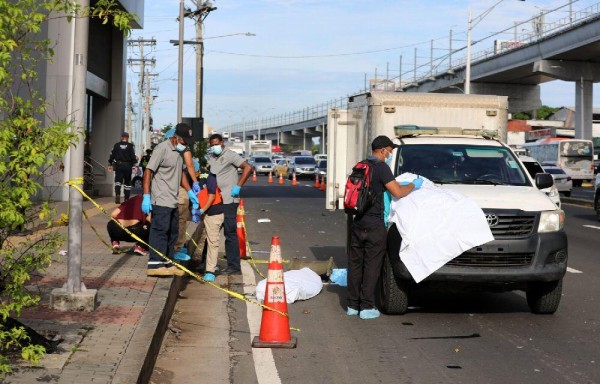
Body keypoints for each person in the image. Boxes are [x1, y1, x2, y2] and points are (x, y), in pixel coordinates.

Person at [347, 135, 422, 320]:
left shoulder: (360, 166)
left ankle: (352, 306)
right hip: (374, 225)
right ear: (382, 150)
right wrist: (413, 185)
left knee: (356, 265)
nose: (390, 154)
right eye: (390, 151)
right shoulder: (381, 167)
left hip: (358, 223)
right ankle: (366, 307)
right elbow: (397, 192)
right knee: (372, 265)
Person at [141, 123, 200, 277]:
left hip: (173, 198)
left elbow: (180, 174)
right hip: (161, 198)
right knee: (160, 231)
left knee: (173, 232)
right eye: (184, 141)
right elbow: (148, 171)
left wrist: (190, 191)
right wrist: (146, 196)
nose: (185, 145)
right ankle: (155, 264)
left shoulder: (180, 153)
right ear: (175, 138)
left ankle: (168, 262)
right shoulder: (162, 149)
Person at [207, 133, 252, 275]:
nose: (214, 147)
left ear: (222, 143)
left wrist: (238, 185)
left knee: (229, 232)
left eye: (216, 144)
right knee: (212, 233)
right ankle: (207, 264)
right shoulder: (212, 157)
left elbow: (248, 168)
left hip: (229, 200)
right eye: (212, 145)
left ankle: (234, 266)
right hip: (216, 201)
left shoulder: (231, 155)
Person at [191, 158, 224, 282]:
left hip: (214, 213)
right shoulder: (197, 179)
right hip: (209, 213)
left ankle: (210, 270)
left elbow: (212, 196)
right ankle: (208, 265)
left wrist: (201, 210)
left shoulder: (210, 177)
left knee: (213, 242)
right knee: (210, 240)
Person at [108, 131, 137, 204]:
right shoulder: (130, 146)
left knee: (118, 181)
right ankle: (126, 198)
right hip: (128, 166)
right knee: (127, 182)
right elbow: (133, 156)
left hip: (119, 165)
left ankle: (117, 194)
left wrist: (110, 163)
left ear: (121, 137)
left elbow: (112, 155)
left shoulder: (116, 145)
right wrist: (134, 165)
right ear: (127, 138)